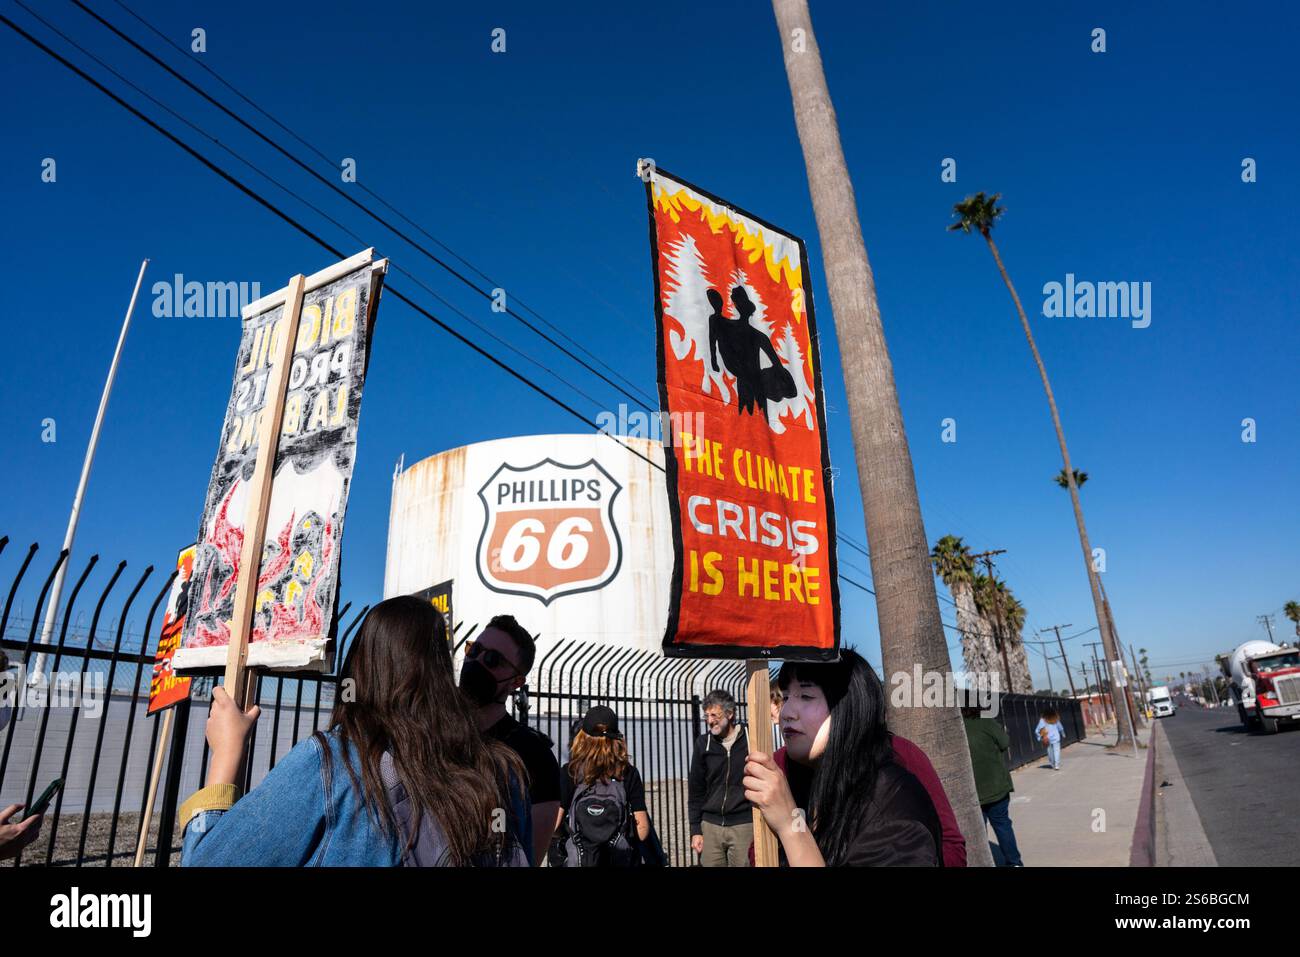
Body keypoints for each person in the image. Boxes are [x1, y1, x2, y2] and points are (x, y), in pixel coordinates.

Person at [180, 596, 531, 866]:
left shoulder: (334, 764)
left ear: (362, 662)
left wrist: (225, 756)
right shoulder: (501, 770)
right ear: (442, 668)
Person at [744, 650, 943, 866]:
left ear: (848, 707)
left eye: (806, 696)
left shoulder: (893, 802)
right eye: (786, 697)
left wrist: (789, 825)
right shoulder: (803, 781)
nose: (787, 712)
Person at [459, 613, 562, 865]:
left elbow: (530, 856)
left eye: (493, 659)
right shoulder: (431, 734)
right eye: (474, 649)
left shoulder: (534, 755)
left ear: (516, 681)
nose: (476, 661)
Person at [555, 705, 649, 866]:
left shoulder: (571, 771)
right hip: (616, 858)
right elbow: (643, 830)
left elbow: (555, 824)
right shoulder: (627, 772)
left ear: (582, 736)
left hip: (581, 858)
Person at [688, 688, 753, 866]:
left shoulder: (751, 738)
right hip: (710, 827)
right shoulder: (703, 743)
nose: (709, 721)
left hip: (744, 825)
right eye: (706, 716)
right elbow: (696, 790)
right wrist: (695, 830)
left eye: (714, 715)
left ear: (730, 714)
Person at [962, 705, 1024, 866]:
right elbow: (1004, 743)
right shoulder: (985, 721)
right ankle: (1014, 862)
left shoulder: (956, 727)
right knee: (1003, 825)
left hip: (971, 791)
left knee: (978, 831)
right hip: (996, 785)